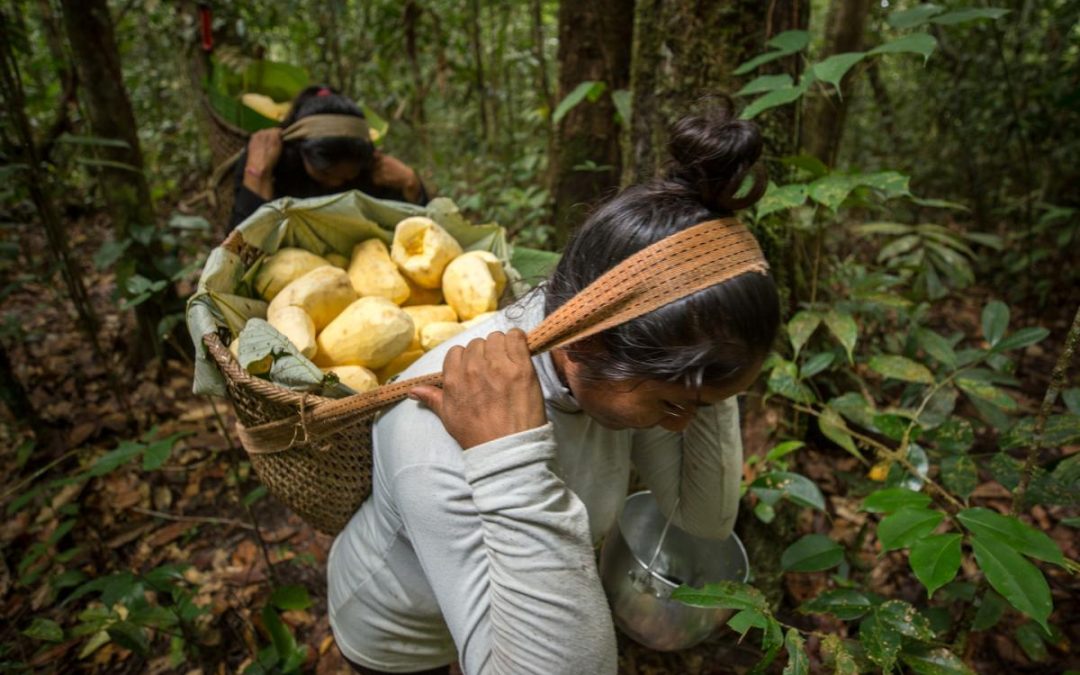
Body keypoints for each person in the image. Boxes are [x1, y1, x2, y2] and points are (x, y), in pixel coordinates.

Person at [326, 100, 780, 675]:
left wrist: (710, 366)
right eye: (674, 404)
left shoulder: (610, 364)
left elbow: (704, 522)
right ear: (586, 342)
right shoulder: (437, 422)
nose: (680, 423)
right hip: (397, 639)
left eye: (699, 407)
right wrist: (510, 461)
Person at [229, 85, 429, 231]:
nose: (334, 182)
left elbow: (421, 232)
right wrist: (258, 175)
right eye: (324, 174)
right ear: (300, 150)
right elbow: (237, 246)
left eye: (346, 178)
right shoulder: (269, 164)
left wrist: (412, 185)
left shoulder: (371, 172)